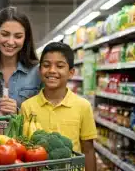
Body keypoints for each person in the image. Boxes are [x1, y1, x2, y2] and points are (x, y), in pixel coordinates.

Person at [20, 42, 97, 171]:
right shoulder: (27, 107)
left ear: (71, 72)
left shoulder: (83, 106)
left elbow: (88, 150)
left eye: (60, 66)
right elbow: (23, 149)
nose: (52, 70)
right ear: (40, 70)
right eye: (46, 65)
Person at [0, 6, 42, 112]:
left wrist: (19, 111)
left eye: (18, 36)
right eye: (5, 34)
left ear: (25, 39)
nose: (11, 42)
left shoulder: (38, 72)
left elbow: (46, 110)